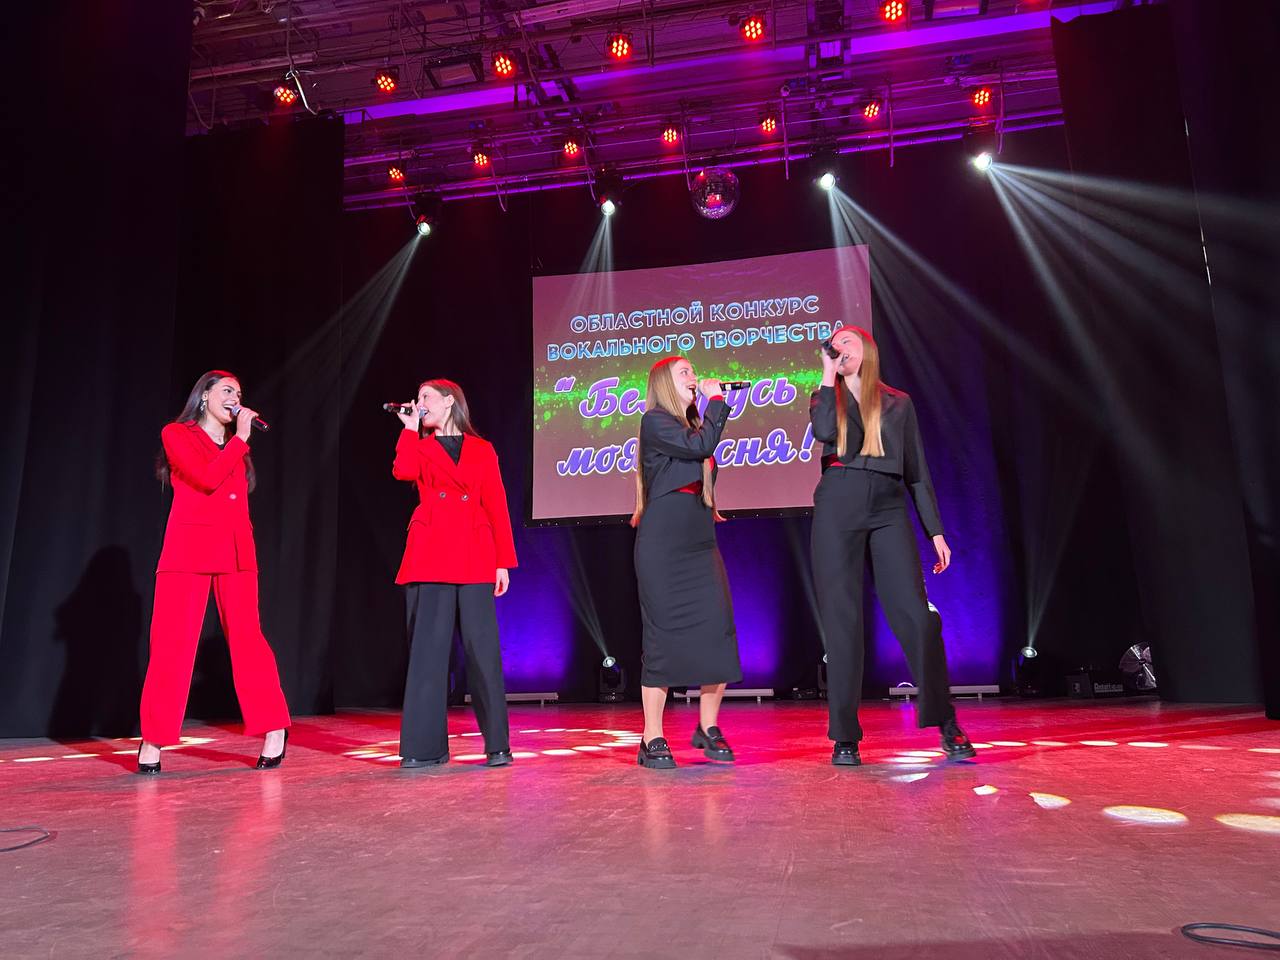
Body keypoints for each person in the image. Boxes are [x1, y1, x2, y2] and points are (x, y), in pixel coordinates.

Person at [809, 325, 976, 766]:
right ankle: (845, 736)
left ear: (867, 350)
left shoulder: (898, 402)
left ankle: (945, 720)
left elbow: (917, 471)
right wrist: (828, 375)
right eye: (833, 344)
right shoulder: (826, 396)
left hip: (887, 505)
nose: (838, 347)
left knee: (917, 617)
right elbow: (823, 431)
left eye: (846, 341)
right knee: (842, 623)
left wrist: (935, 531)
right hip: (838, 501)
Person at [137, 371, 290, 774]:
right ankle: (154, 737)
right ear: (204, 396)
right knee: (171, 644)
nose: (235, 397)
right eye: (226, 390)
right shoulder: (177, 434)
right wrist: (240, 439)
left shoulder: (236, 446)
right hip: (188, 548)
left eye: (239, 392)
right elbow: (205, 478)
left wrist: (237, 441)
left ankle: (274, 727)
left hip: (237, 551)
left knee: (248, 640)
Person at [391, 379, 517, 768]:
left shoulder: (482, 449)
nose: (419, 402)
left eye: (426, 397)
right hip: (431, 551)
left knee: (483, 651)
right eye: (417, 398)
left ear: (449, 402)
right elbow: (403, 471)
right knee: (427, 652)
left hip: (475, 551)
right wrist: (409, 428)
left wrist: (502, 560)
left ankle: (498, 745)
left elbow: (496, 502)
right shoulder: (419, 445)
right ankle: (423, 748)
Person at [631, 356, 742, 769]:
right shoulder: (655, 421)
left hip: (699, 542)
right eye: (685, 372)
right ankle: (651, 737)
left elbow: (702, 457)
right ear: (664, 383)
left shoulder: (695, 427)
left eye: (694, 372)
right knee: (661, 640)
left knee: (718, 629)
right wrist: (717, 402)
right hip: (663, 545)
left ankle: (708, 727)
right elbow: (701, 448)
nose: (694, 377)